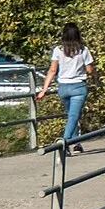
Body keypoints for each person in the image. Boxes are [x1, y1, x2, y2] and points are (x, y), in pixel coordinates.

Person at [38, 22, 96, 150]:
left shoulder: (58, 50)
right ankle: (63, 143)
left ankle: (76, 143)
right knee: (73, 116)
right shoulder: (83, 50)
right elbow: (90, 70)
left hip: (63, 87)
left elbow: (52, 70)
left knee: (70, 115)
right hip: (78, 87)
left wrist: (44, 89)